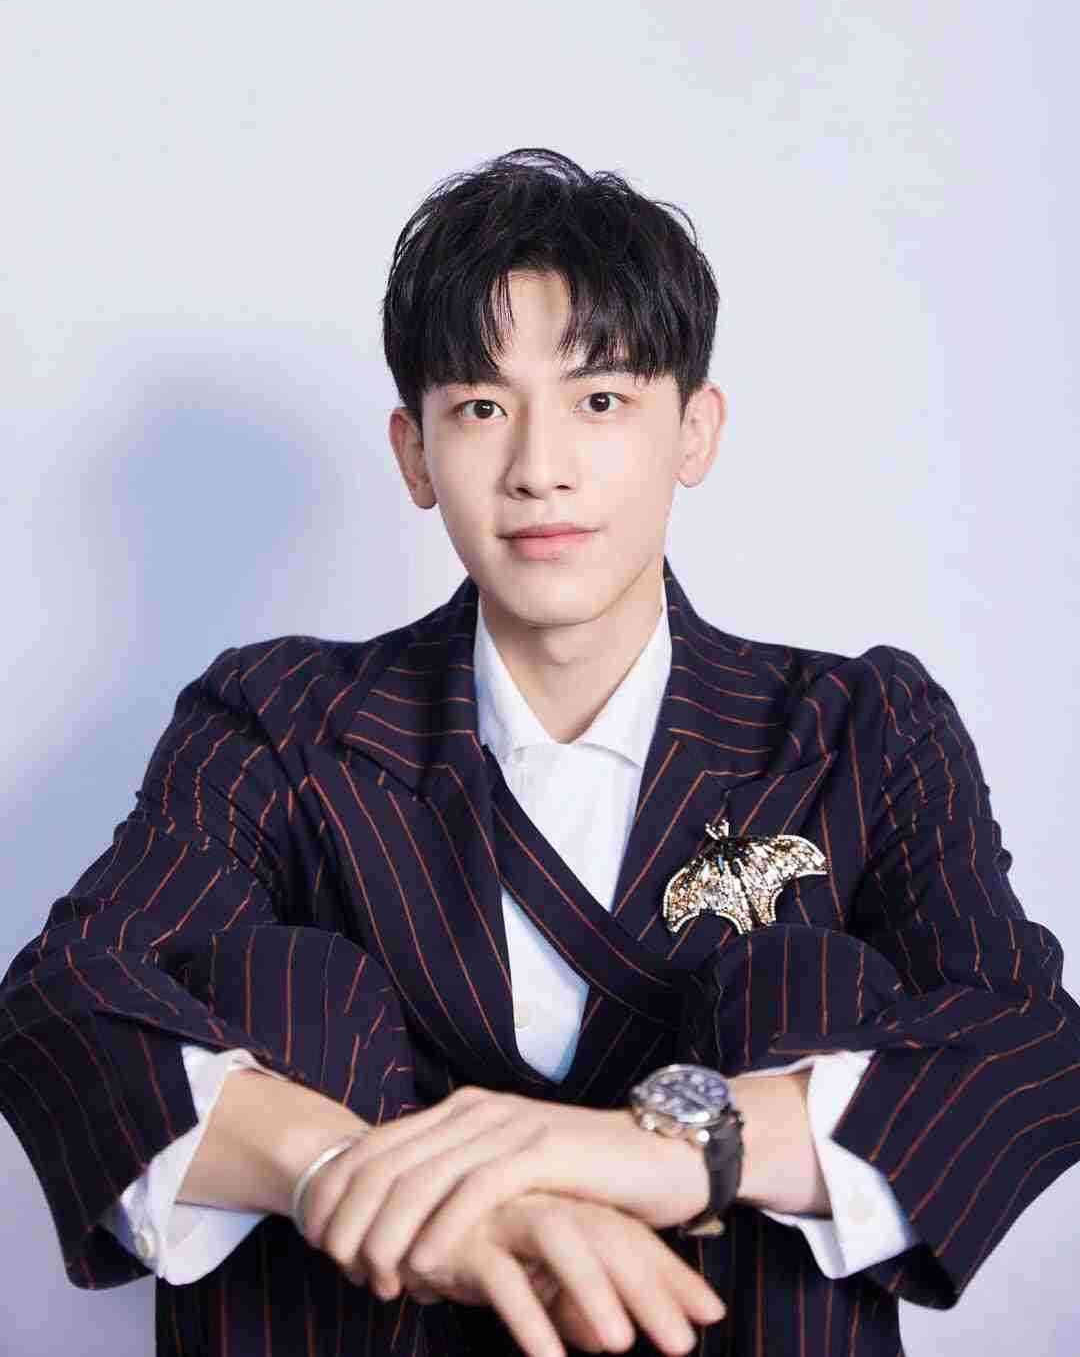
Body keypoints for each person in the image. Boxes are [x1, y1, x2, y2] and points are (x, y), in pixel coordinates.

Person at [3, 148, 1079, 1357]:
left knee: (802, 989)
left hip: (720, 1319)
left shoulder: (856, 726)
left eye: (600, 401)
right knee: (278, 991)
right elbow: (65, 994)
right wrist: (354, 1177)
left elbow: (1028, 1040)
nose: (538, 468)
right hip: (362, 1315)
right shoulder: (279, 720)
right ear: (415, 452)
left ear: (695, 431)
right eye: (482, 408)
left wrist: (673, 1151)